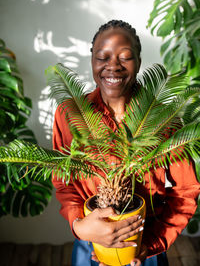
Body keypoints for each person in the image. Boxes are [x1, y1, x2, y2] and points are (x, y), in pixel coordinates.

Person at [52, 20, 200, 266]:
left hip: (143, 246)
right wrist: (80, 226)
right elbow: (64, 182)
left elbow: (185, 191)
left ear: (139, 62)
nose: (113, 66)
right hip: (90, 247)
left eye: (125, 57)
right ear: (92, 61)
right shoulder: (70, 114)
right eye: (103, 57)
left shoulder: (164, 119)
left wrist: (153, 243)